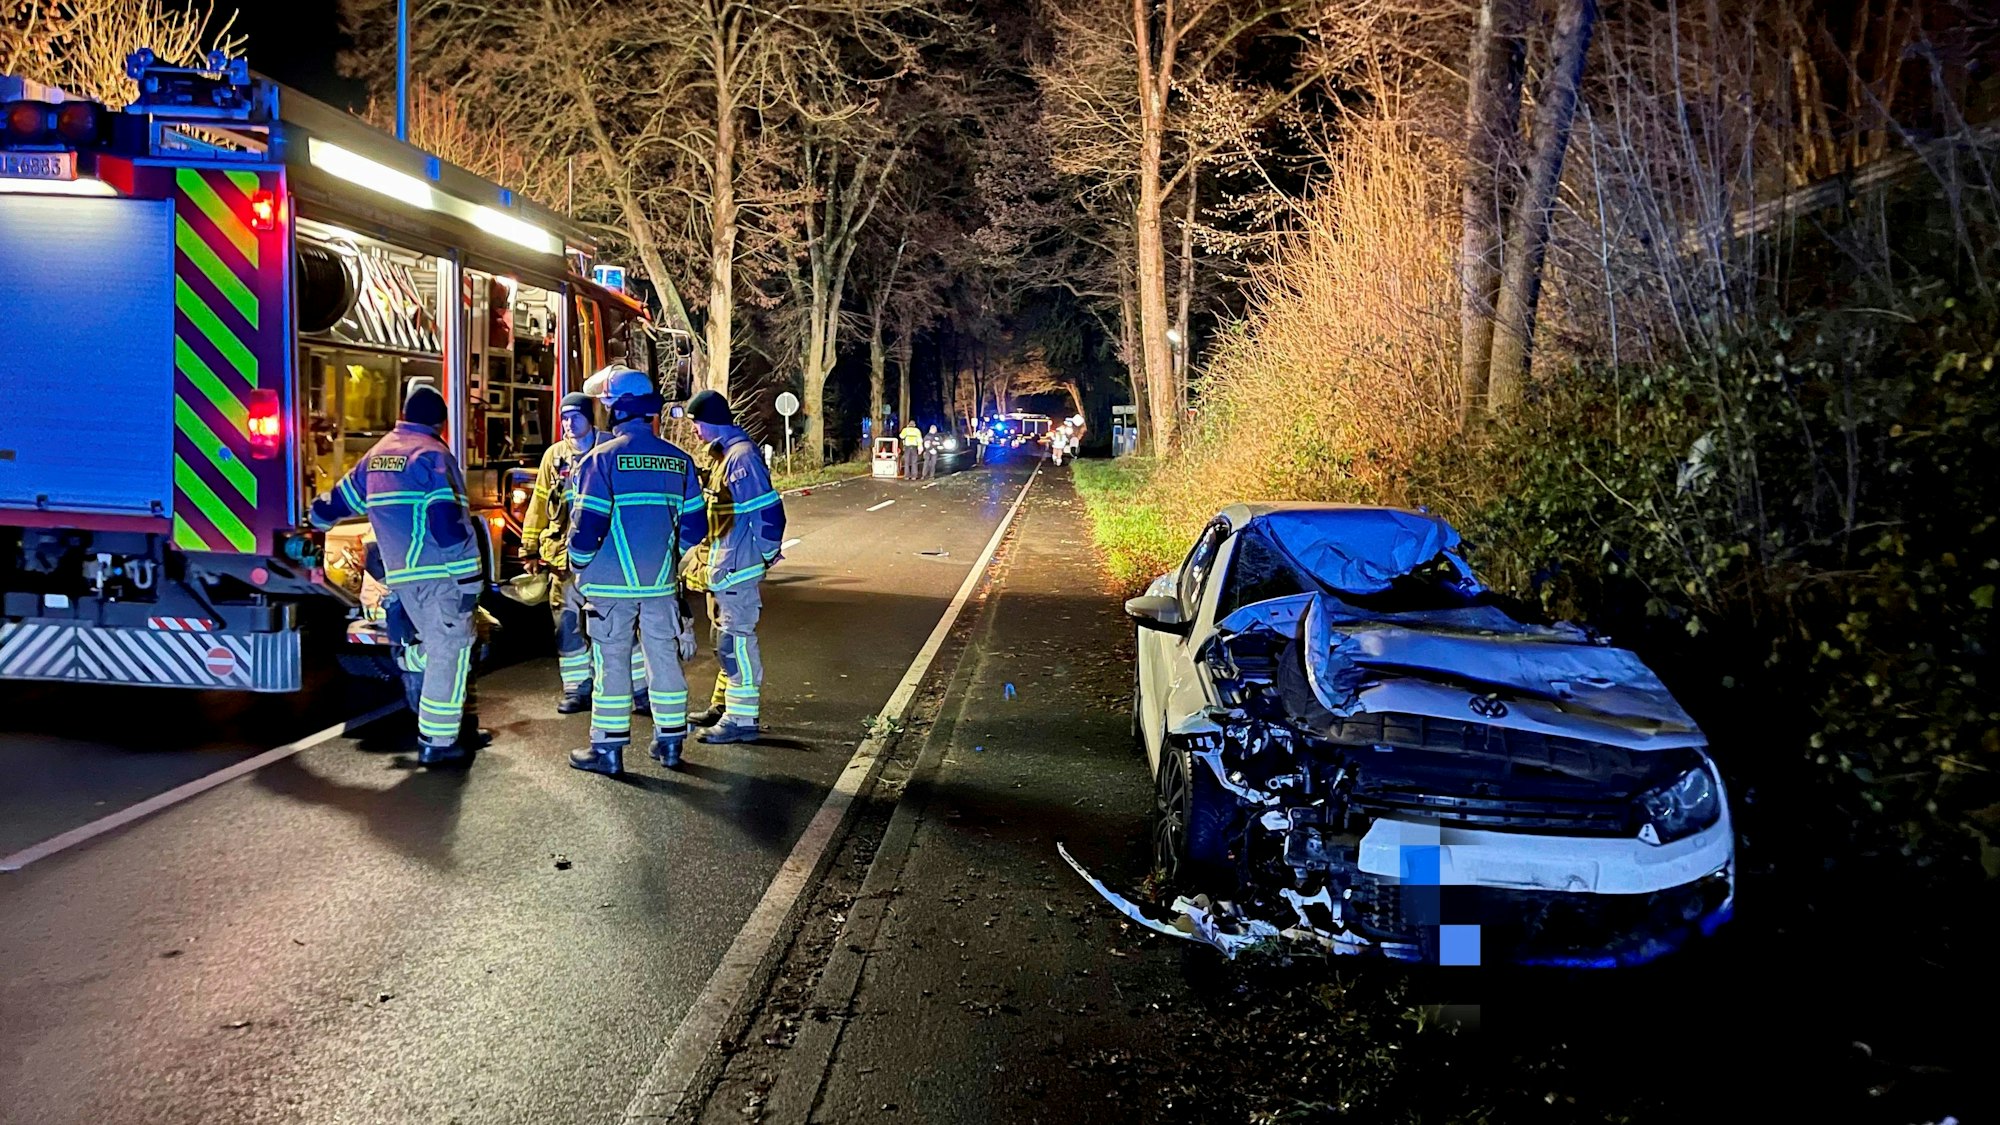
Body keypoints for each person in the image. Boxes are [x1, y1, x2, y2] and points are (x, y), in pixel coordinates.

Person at [311, 386, 484, 766]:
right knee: (451, 650)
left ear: (402, 414)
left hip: (401, 576)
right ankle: (438, 742)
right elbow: (448, 523)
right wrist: (470, 578)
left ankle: (413, 661)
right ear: (440, 423)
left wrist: (314, 517)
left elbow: (339, 502)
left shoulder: (376, 456)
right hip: (438, 574)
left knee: (444, 645)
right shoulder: (433, 456)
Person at [564, 368, 706, 775]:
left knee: (612, 665)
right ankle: (671, 744)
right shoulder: (680, 462)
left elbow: (587, 528)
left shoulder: (600, 461)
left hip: (609, 588)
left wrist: (578, 565)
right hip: (660, 585)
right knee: (664, 660)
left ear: (617, 409)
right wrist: (663, 558)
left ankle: (607, 752)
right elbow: (695, 528)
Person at [521, 389, 647, 715]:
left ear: (589, 418)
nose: (567, 423)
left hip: (605, 555)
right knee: (566, 625)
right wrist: (530, 547)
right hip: (563, 557)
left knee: (617, 622)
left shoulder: (610, 447)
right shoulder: (555, 456)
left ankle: (639, 688)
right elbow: (540, 504)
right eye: (563, 417)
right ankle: (578, 688)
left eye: (573, 416)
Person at [682, 389, 786, 744]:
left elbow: (768, 513)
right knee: (721, 638)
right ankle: (724, 706)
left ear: (710, 421)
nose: (694, 430)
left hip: (736, 569)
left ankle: (741, 719)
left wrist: (768, 553)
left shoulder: (741, 458)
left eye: (696, 423)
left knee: (734, 642)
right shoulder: (723, 457)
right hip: (724, 569)